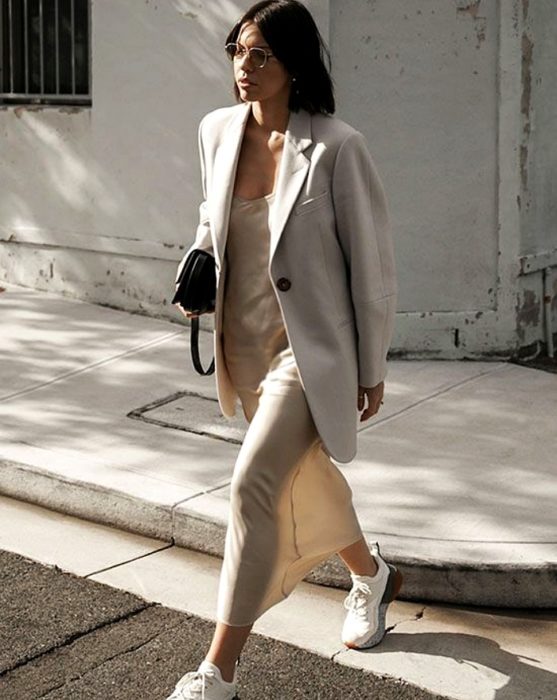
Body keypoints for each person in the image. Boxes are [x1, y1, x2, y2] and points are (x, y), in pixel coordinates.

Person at [167, 1, 400, 698]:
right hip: (244, 343)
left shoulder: (335, 147)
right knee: (297, 474)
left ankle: (218, 670)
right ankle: (371, 573)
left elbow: (371, 265)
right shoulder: (216, 130)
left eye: (261, 54)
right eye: (238, 50)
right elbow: (213, 214)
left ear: (295, 63)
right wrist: (199, 261)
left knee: (253, 485)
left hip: (310, 353)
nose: (245, 66)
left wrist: (371, 366)